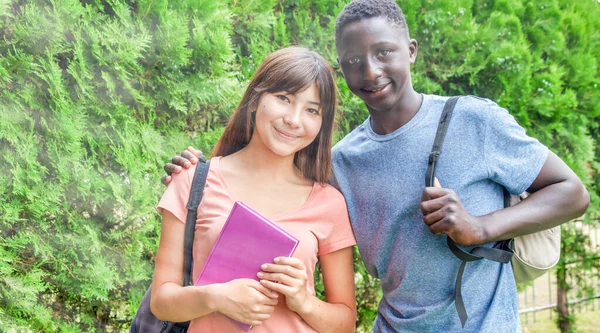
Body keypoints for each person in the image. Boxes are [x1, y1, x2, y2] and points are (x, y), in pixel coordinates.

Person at [163, 1, 590, 332]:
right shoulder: (343, 162)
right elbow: (271, 183)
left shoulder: (473, 120)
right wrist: (198, 174)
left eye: (384, 52)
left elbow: (571, 192)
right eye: (353, 61)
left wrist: (481, 227)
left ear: (411, 51)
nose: (370, 70)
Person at [151, 46, 357, 333]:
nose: (294, 120)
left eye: (312, 110)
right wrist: (215, 297)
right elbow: (161, 302)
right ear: (254, 101)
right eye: (284, 98)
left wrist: (304, 301)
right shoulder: (193, 181)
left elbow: (345, 322)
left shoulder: (329, 203)